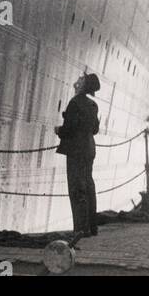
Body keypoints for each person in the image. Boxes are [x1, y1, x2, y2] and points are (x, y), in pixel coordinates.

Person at [54, 72, 101, 237]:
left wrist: (59, 130)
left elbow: (70, 129)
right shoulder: (93, 105)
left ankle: (81, 229)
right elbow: (95, 129)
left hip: (76, 149)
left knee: (77, 189)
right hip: (89, 148)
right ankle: (92, 227)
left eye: (80, 79)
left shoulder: (75, 103)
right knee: (88, 186)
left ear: (82, 85)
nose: (77, 80)